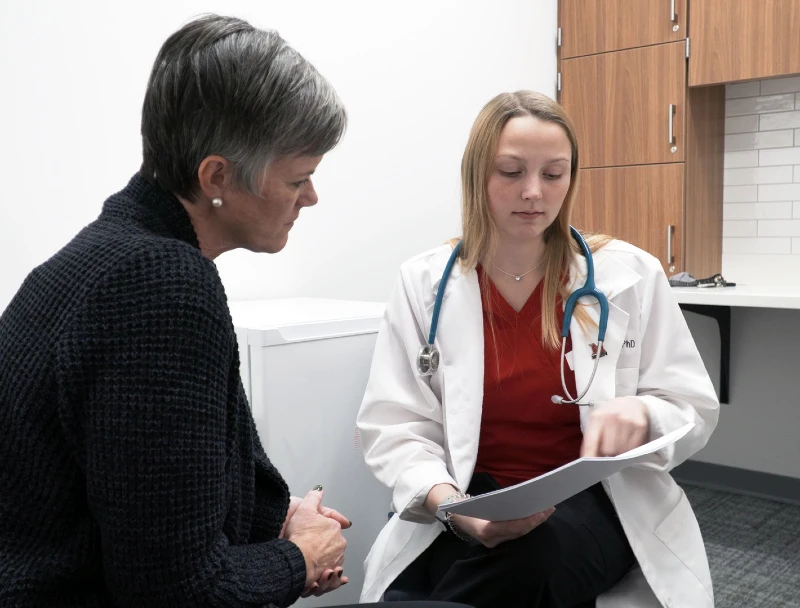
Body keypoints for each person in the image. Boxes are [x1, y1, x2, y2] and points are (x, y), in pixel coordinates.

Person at [0, 15, 469, 608]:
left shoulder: (98, 257)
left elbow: (150, 503)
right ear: (217, 176)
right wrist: (300, 558)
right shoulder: (161, 290)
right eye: (299, 178)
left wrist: (280, 518)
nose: (312, 198)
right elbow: (176, 592)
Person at [356, 91, 720, 608]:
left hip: (595, 502)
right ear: (477, 174)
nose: (533, 193)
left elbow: (692, 406)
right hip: (465, 495)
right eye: (510, 172)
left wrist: (642, 413)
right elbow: (394, 426)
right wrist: (453, 506)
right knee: (421, 587)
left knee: (530, 563)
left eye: (553, 174)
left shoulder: (630, 276)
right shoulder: (424, 284)